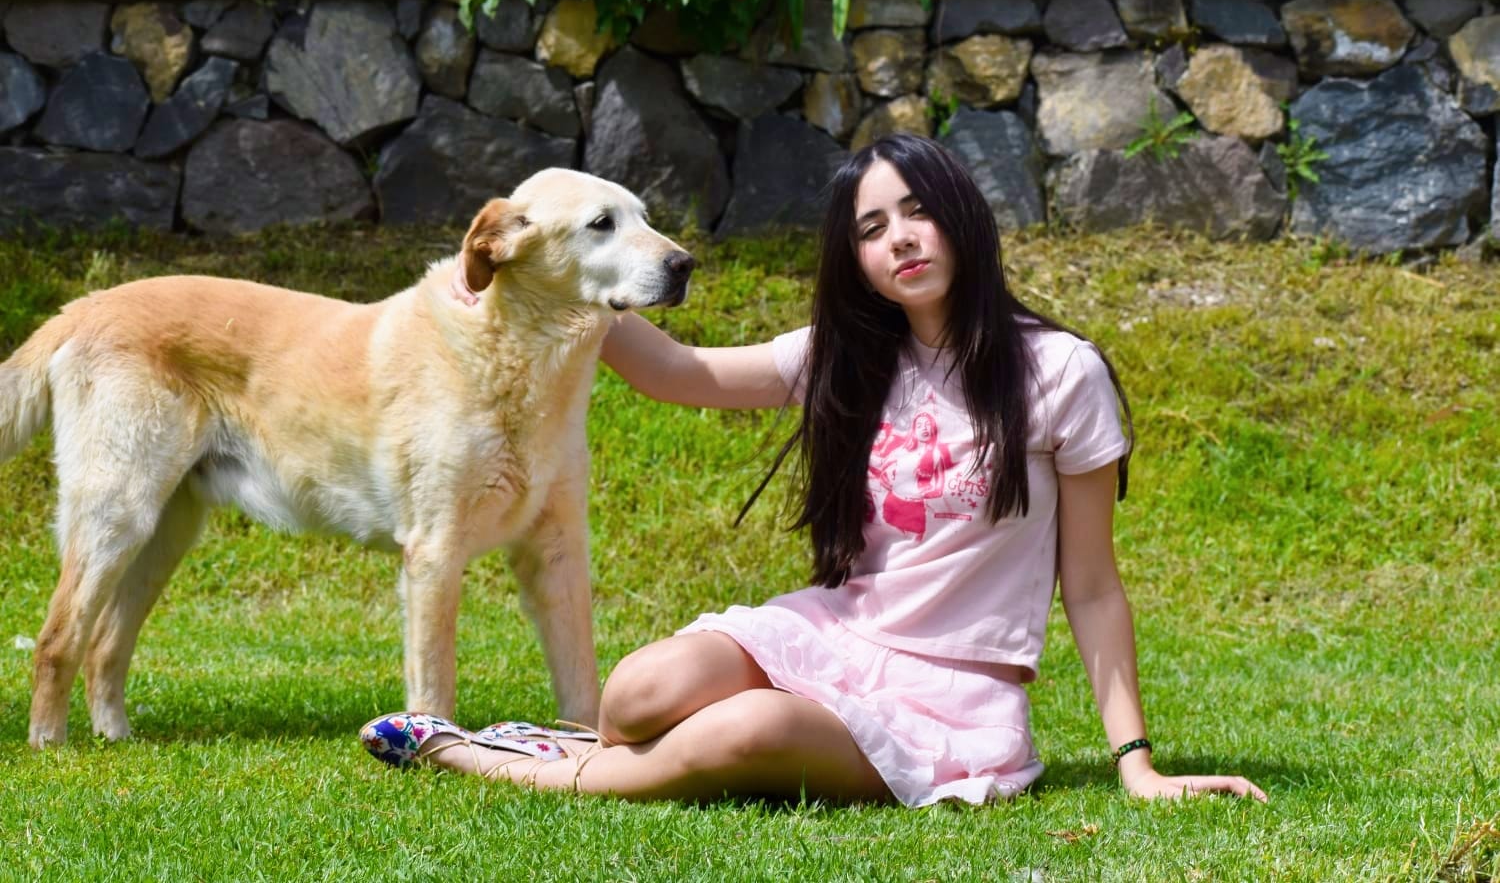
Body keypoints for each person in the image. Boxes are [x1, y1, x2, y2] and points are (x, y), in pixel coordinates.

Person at [359, 134, 1267, 806]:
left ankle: (487, 757)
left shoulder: (1060, 373)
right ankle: (578, 746)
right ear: (857, 260)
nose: (900, 238)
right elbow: (681, 373)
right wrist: (560, 272)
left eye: (918, 211)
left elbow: (1095, 587)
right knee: (636, 693)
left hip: (950, 692)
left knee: (743, 731)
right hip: (833, 635)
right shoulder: (849, 356)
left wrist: (1137, 764)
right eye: (873, 228)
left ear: (963, 216)